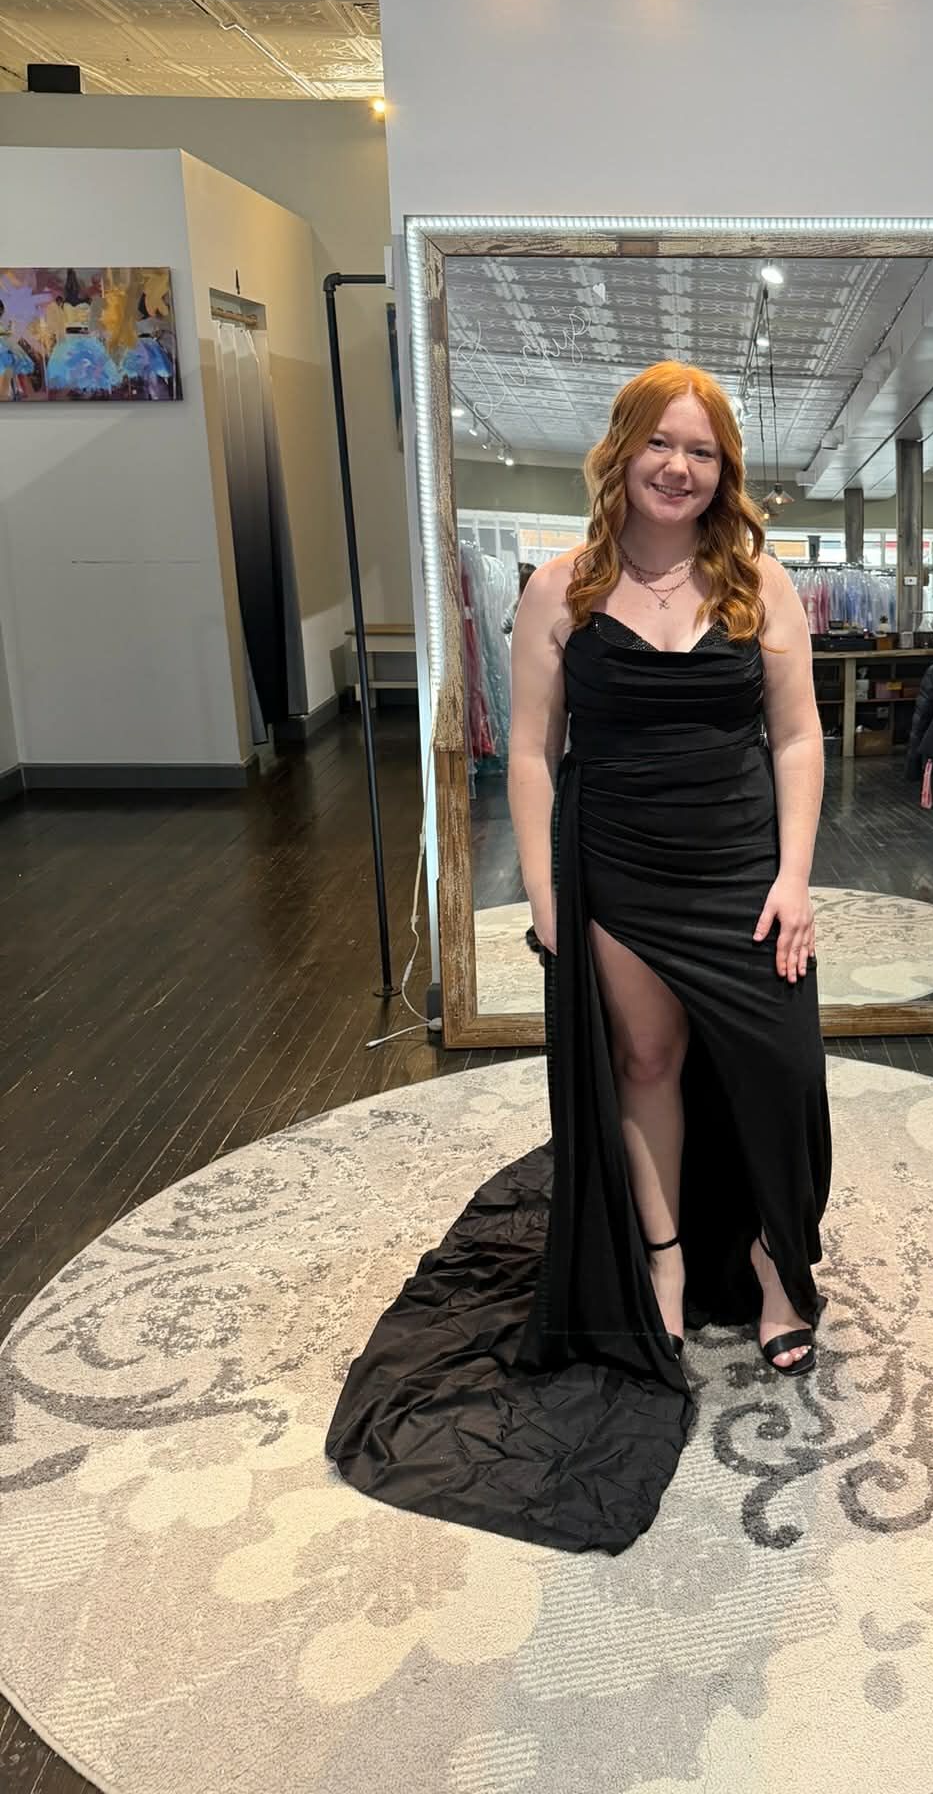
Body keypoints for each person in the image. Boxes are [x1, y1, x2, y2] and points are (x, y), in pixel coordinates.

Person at [325, 360, 833, 1555]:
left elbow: (800, 735)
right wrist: (548, 896)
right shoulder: (557, 588)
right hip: (623, 873)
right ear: (621, 452)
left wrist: (795, 874)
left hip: (739, 872)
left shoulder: (762, 584)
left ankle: (774, 1259)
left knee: (782, 1077)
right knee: (645, 1063)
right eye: (660, 442)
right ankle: (661, 1261)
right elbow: (537, 755)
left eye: (701, 450)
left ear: (724, 469)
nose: (679, 465)